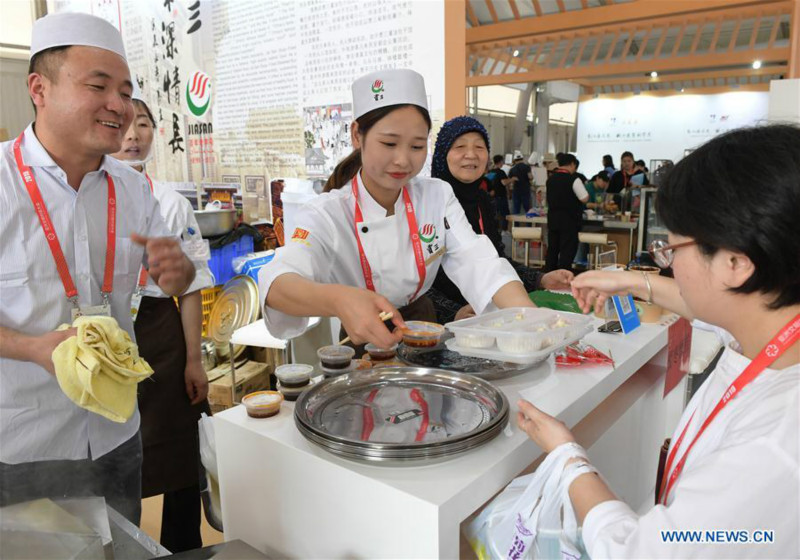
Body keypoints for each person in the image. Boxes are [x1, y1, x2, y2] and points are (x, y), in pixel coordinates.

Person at [518, 124, 800, 558]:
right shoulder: (771, 330)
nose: (669, 266)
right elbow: (707, 306)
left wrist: (566, 456)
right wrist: (631, 282)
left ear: (736, 263)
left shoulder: (772, 447)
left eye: (673, 250)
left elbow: (639, 551)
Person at [0, 12, 195, 524]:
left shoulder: (134, 189)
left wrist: (177, 273)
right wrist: (31, 348)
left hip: (114, 432)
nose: (119, 105)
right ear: (39, 89)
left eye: (126, 92)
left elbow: (176, 279)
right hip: (21, 439)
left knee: (120, 548)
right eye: (98, 86)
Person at [258, 69, 535, 348]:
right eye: (389, 143)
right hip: (363, 338)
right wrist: (339, 299)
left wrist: (531, 320)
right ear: (357, 135)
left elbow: (480, 262)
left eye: (416, 146)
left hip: (424, 329)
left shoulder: (436, 196)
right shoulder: (326, 213)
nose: (403, 160)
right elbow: (277, 284)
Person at [110, 87, 213, 552]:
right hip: (106, 334)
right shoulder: (86, 196)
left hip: (159, 334)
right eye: (125, 124)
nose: (134, 135)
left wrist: (195, 359)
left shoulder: (170, 202)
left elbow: (190, 287)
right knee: (113, 455)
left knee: (179, 451)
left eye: (144, 124)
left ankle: (184, 545)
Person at [425, 116, 573, 324]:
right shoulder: (427, 203)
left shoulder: (482, 200)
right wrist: (452, 313)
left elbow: (494, 261)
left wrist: (541, 279)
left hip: (488, 317)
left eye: (479, 147)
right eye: (460, 147)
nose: (471, 155)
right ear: (442, 154)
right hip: (434, 325)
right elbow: (414, 283)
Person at [544, 152, 589, 272]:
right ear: (572, 164)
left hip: (553, 219)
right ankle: (563, 276)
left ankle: (549, 274)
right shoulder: (574, 179)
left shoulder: (550, 179)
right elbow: (584, 198)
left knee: (552, 249)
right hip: (569, 220)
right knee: (567, 251)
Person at [485, 154, 513, 232]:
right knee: (505, 214)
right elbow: (504, 182)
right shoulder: (501, 172)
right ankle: (504, 230)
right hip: (501, 196)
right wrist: (512, 179)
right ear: (500, 162)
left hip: (492, 197)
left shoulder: (490, 172)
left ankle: (496, 230)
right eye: (502, 161)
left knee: (495, 214)